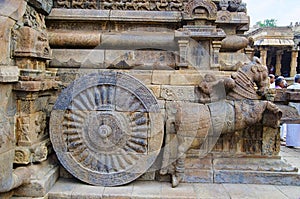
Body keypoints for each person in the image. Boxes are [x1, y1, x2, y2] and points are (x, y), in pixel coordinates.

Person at [284, 74, 300, 148]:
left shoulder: (289, 87)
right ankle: (297, 143)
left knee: (290, 126)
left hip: (291, 110)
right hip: (298, 110)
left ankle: (290, 142)